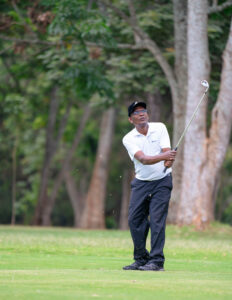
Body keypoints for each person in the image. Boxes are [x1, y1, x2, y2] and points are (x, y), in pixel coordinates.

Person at [122, 101, 176, 271]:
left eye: (143, 111)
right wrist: (165, 156)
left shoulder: (160, 127)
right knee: (134, 220)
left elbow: (166, 152)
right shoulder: (128, 138)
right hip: (141, 182)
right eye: (137, 113)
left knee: (157, 220)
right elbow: (144, 159)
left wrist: (168, 160)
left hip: (162, 181)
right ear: (131, 120)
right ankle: (141, 258)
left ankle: (156, 261)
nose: (142, 114)